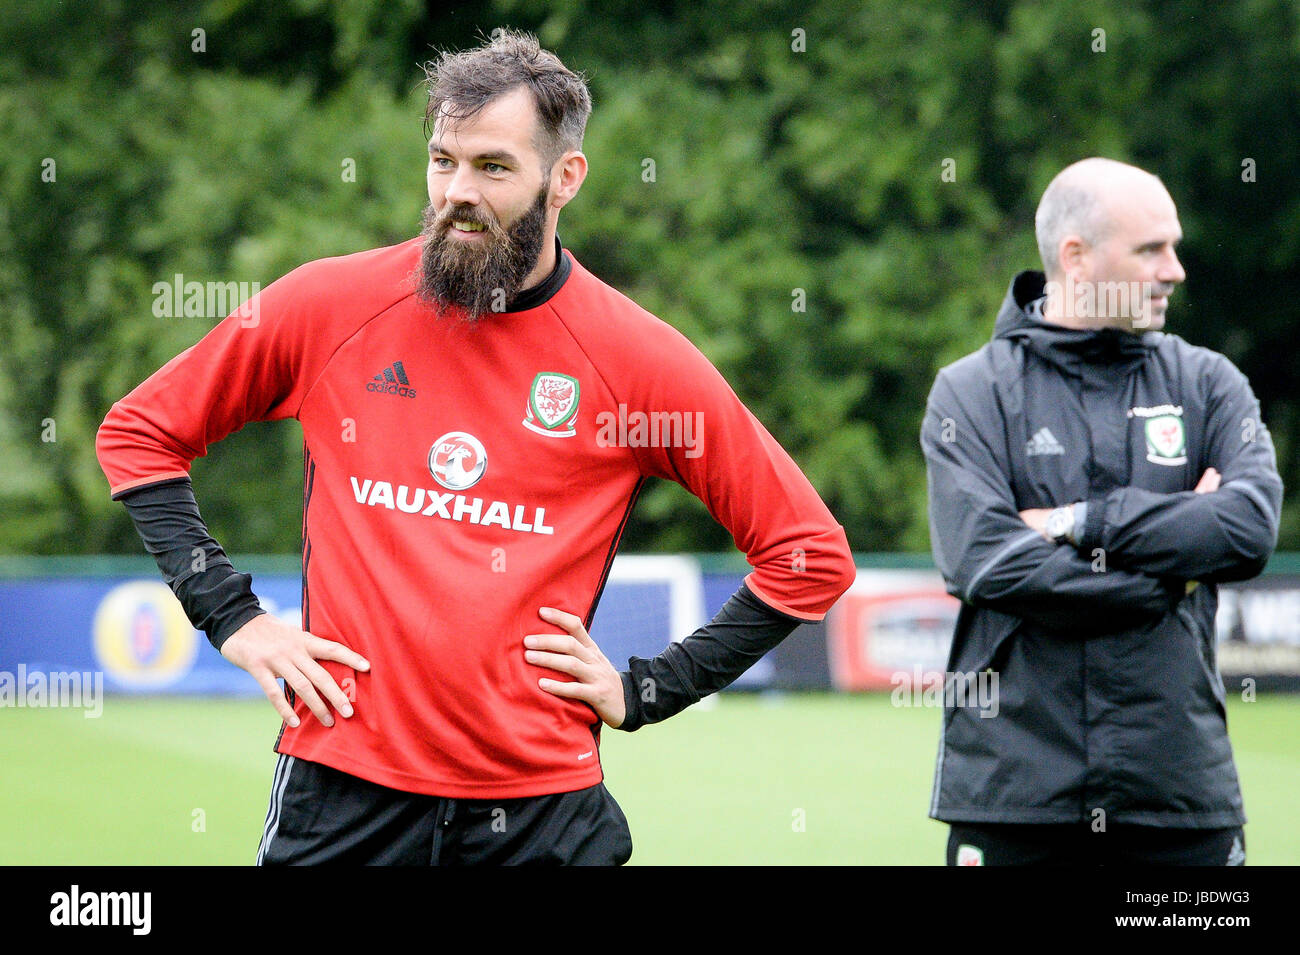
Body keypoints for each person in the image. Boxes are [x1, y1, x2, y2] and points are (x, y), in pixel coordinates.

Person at [95, 31, 855, 866]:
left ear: (564, 180)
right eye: (442, 161)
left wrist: (648, 689)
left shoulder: (636, 360)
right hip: (344, 794)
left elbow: (807, 556)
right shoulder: (329, 305)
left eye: (493, 167)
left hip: (540, 816)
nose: (457, 191)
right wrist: (233, 616)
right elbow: (140, 433)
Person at [920, 157, 1283, 866]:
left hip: (1178, 800)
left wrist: (1078, 522)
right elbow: (986, 559)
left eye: (1172, 247)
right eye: (1151, 249)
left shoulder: (1209, 383)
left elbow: (1246, 527)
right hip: (1014, 798)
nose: (1174, 269)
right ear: (1076, 258)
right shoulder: (969, 393)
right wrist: (1168, 575)